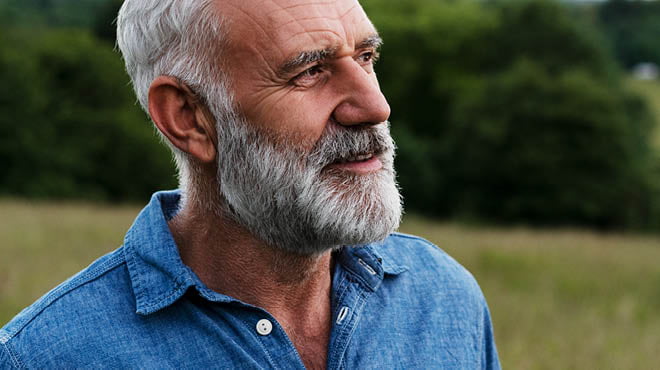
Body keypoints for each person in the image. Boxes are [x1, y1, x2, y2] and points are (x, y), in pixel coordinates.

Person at [0, 0, 500, 368]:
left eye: (366, 57)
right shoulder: (44, 357)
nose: (374, 106)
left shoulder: (443, 299)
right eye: (310, 70)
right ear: (189, 117)